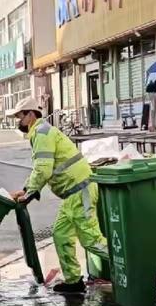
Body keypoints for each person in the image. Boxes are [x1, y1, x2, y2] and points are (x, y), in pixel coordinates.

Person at [10, 97, 108, 293]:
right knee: (61, 234)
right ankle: (73, 281)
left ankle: (134, 263)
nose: (17, 122)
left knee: (91, 240)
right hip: (73, 195)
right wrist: (27, 188)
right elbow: (44, 168)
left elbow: (43, 169)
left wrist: (30, 192)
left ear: (30, 115)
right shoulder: (40, 132)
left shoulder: (41, 132)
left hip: (81, 191)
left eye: (19, 117)